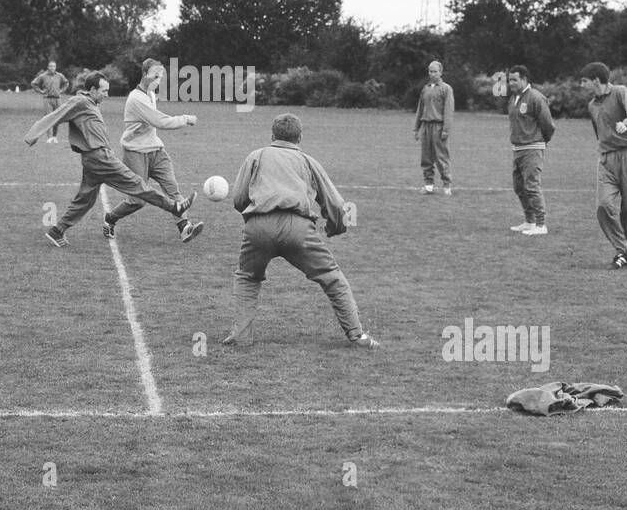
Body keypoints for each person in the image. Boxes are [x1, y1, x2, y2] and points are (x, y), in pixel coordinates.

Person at [223, 113, 379, 350]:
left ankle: (242, 337)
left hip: (258, 227)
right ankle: (358, 336)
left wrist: (256, 215)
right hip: (297, 228)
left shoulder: (256, 156)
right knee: (332, 278)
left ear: (271, 135)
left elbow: (238, 198)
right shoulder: (308, 161)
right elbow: (335, 203)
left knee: (247, 277)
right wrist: (335, 226)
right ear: (300, 138)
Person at [23, 73, 195, 247]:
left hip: (93, 159)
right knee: (136, 183)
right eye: (104, 91)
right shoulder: (80, 102)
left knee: (85, 200)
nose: (107, 94)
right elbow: (55, 115)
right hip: (99, 158)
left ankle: (57, 230)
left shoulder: (90, 103)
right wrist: (33, 134)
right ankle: (175, 207)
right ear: (92, 89)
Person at [103, 58, 203, 243]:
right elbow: (160, 121)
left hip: (156, 150)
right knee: (137, 201)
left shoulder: (150, 94)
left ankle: (185, 228)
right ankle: (110, 219)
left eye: (161, 76)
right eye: (155, 75)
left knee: (173, 189)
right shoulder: (136, 98)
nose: (158, 79)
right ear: (144, 74)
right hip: (135, 153)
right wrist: (185, 118)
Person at [578, 61, 627, 267]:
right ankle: (623, 249)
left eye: (584, 81)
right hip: (607, 159)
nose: (582, 85)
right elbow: (599, 133)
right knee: (603, 206)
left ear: (596, 80)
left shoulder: (620, 92)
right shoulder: (591, 105)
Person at [506, 65, 556, 235]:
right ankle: (529, 221)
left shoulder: (535, 97)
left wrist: (541, 142)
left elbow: (548, 125)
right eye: (509, 79)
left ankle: (541, 225)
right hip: (517, 149)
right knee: (519, 187)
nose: (511, 83)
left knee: (532, 186)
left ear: (525, 79)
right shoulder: (513, 98)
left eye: (514, 79)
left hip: (533, 148)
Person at [413, 60, 455, 193]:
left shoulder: (446, 89)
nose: (432, 74)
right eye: (430, 71)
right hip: (426, 126)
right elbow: (420, 109)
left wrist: (446, 129)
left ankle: (447, 185)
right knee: (426, 157)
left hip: (438, 127)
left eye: (435, 71)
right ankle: (428, 186)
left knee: (441, 157)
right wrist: (416, 128)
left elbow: (449, 110)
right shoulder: (425, 89)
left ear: (441, 72)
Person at [30, 59, 69, 143]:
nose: (52, 68)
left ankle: (55, 137)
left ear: (56, 67)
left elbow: (66, 83)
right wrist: (41, 91)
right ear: (48, 67)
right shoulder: (43, 76)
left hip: (57, 99)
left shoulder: (60, 76)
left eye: (54, 66)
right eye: (51, 66)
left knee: (57, 118)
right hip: (47, 99)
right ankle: (49, 137)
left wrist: (61, 91)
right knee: (48, 118)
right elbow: (34, 83)